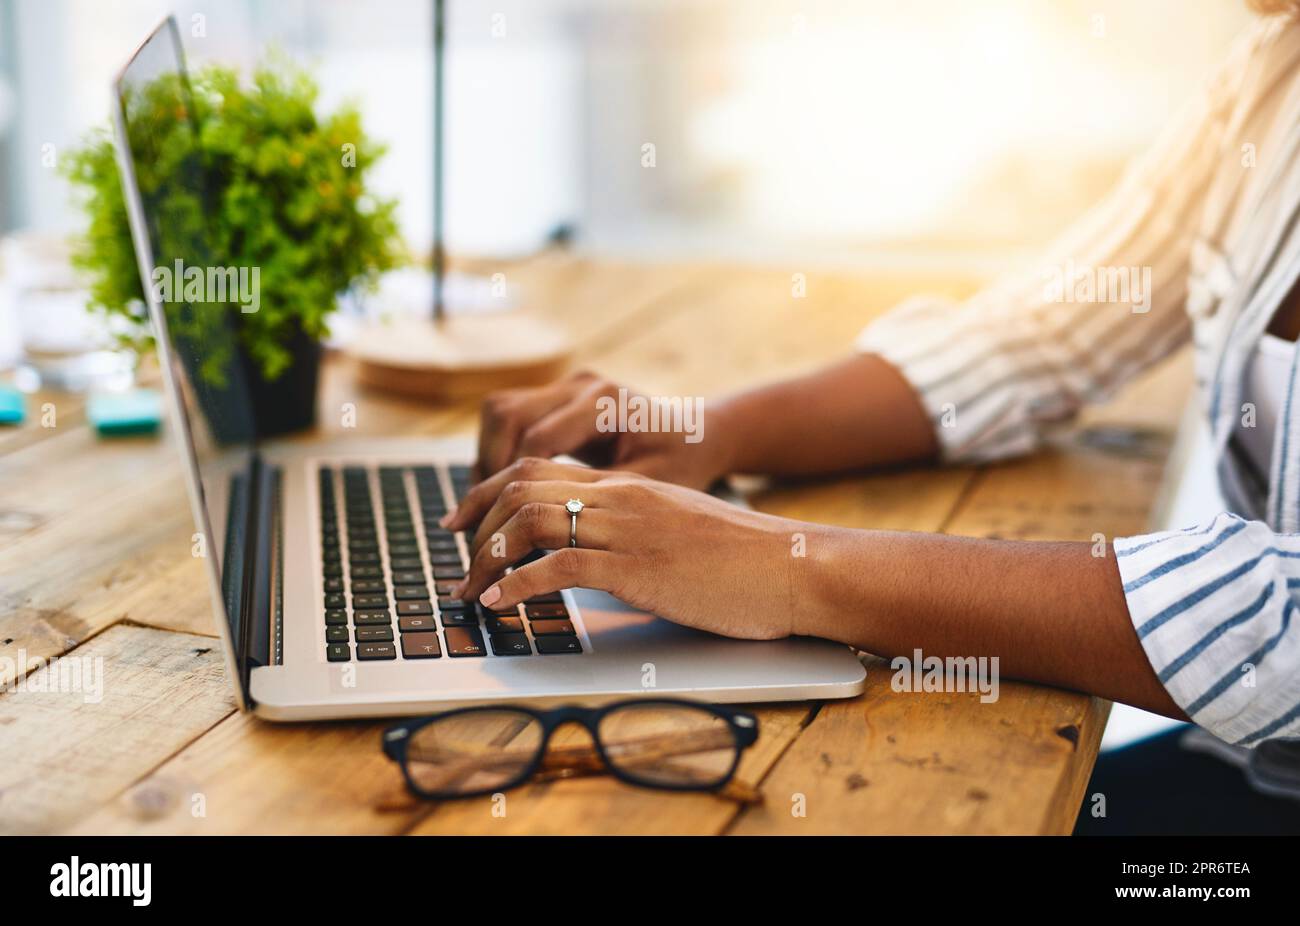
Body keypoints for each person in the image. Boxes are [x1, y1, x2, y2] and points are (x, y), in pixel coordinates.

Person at [441, 3, 1300, 833]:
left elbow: (1284, 620)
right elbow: (1040, 335)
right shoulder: (1272, 69)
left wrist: (784, 566)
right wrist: (712, 429)